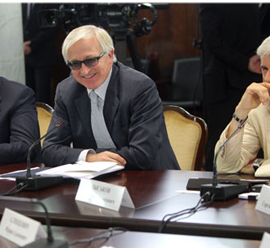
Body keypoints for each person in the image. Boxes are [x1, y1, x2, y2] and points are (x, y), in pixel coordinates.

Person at [41, 25, 179, 170]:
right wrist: (89, 157)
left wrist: (93, 159)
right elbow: (49, 150)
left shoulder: (139, 88)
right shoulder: (66, 91)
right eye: (75, 64)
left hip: (151, 178)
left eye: (91, 60)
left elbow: (141, 154)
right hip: (98, 182)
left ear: (110, 55)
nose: (85, 71)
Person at [215, 31, 270, 179]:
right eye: (264, 69)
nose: (268, 78)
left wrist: (260, 166)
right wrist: (241, 112)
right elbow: (225, 166)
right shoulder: (261, 106)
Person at [199, 3, 262, 171]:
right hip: (224, 83)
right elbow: (211, 38)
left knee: (253, 136)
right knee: (221, 135)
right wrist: (244, 62)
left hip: (254, 75)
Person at [23, 2, 59, 105]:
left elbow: (51, 28)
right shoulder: (22, 3)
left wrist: (32, 44)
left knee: (42, 96)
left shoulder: (49, 1)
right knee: (28, 94)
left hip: (43, 57)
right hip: (26, 58)